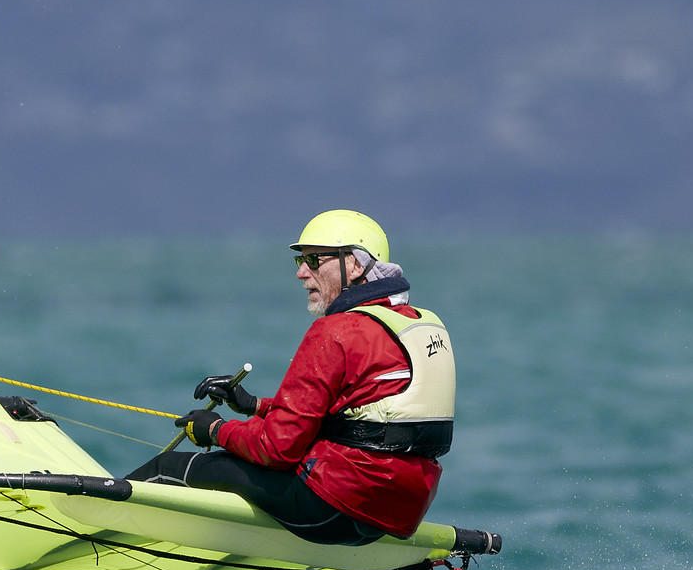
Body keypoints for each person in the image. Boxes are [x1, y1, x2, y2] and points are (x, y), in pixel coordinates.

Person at [125, 210, 454, 546]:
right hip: (399, 514)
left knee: (172, 466)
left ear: (355, 265)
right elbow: (358, 415)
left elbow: (277, 448)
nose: (300, 273)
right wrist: (255, 406)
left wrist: (215, 429)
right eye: (300, 259)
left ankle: (91, 534)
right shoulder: (417, 324)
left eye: (313, 260)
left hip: (335, 508)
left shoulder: (337, 330)